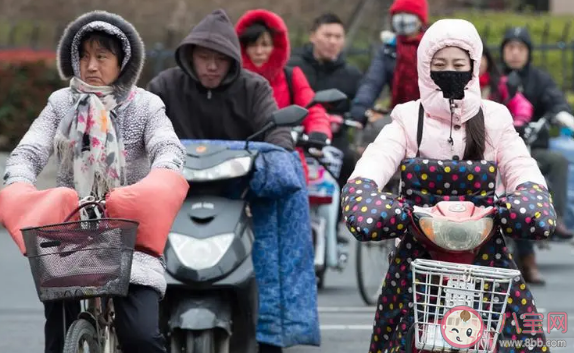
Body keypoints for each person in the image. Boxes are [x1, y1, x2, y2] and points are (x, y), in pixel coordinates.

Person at [342, 19, 555, 352]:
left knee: (519, 338)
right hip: (417, 258)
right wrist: (363, 190)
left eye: (459, 64)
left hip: (485, 256)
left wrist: (531, 194)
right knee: (394, 338)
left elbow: (520, 165)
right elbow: (376, 160)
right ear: (425, 69)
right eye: (439, 65)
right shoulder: (407, 118)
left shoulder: (495, 117)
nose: (449, 72)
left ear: (474, 66)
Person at [1, 11, 186, 353]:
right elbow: (29, 150)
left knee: (141, 337)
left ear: (123, 62)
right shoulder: (60, 104)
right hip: (71, 233)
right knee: (58, 334)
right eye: (83, 55)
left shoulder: (145, 106)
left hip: (131, 233)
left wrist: (164, 174)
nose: (90, 65)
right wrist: (17, 181)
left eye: (102, 56)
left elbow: (167, 146)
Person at [147, 9, 293, 151]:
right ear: (191, 56)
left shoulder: (254, 88)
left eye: (221, 59)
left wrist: (281, 150)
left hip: (242, 173)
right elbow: (142, 124)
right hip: (175, 171)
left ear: (232, 60)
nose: (212, 66)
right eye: (203, 57)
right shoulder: (165, 85)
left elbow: (275, 128)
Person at [501, 26, 574, 284]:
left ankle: (560, 220)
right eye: (510, 47)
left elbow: (557, 101)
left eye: (520, 48)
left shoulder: (540, 79)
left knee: (559, 161)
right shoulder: (495, 78)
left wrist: (561, 113)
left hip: (534, 148)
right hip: (500, 149)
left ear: (528, 52)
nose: (515, 53)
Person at [235, 9, 332, 184]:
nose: (259, 51)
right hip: (237, 158)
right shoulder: (232, 80)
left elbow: (312, 107)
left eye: (265, 44)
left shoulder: (291, 76)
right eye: (252, 45)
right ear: (242, 47)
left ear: (276, 46)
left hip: (285, 154)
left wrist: (318, 130)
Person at [287, 12, 362, 232]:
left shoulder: (352, 74)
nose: (332, 41)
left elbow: (359, 105)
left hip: (334, 140)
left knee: (350, 162)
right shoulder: (294, 67)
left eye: (338, 36)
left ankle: (339, 219)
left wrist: (358, 116)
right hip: (296, 135)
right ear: (313, 36)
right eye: (327, 35)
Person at [349, 0, 428, 124]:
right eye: (399, 13)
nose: (402, 19)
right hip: (400, 115)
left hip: (431, 115)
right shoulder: (389, 49)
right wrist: (361, 106)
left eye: (408, 13)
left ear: (420, 19)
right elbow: (372, 82)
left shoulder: (432, 46)